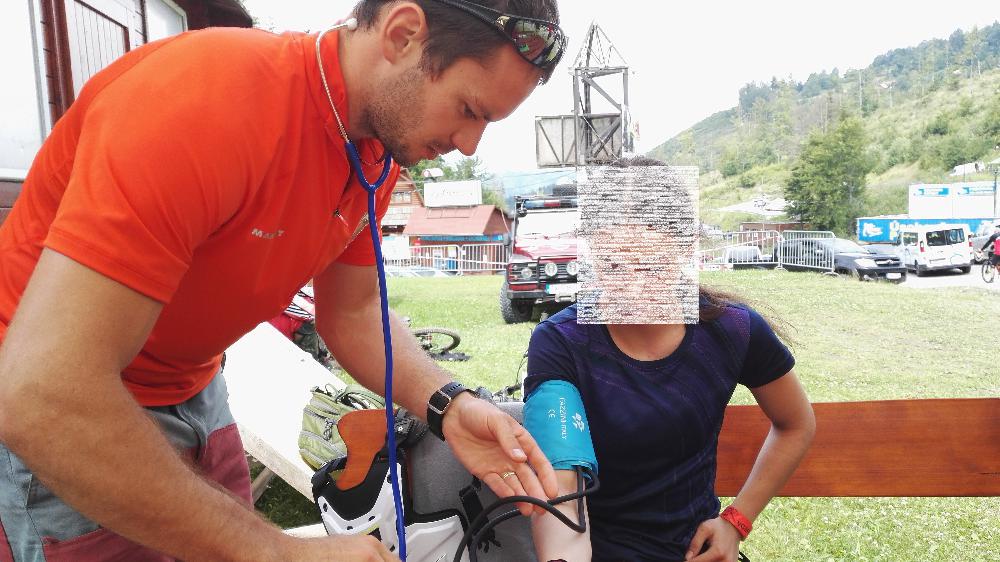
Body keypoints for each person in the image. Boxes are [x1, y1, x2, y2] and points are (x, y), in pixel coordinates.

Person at [0, 1, 566, 560]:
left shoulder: (375, 150)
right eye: (469, 110)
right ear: (402, 34)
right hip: (75, 410)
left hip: (196, 389)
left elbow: (353, 312)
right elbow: (43, 392)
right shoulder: (206, 101)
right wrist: (279, 551)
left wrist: (448, 404)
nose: (469, 144)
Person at [524, 158, 816, 562]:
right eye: (613, 266)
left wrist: (737, 521)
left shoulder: (732, 330)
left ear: (683, 248)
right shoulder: (562, 341)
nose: (632, 286)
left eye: (650, 266)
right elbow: (562, 490)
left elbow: (796, 424)